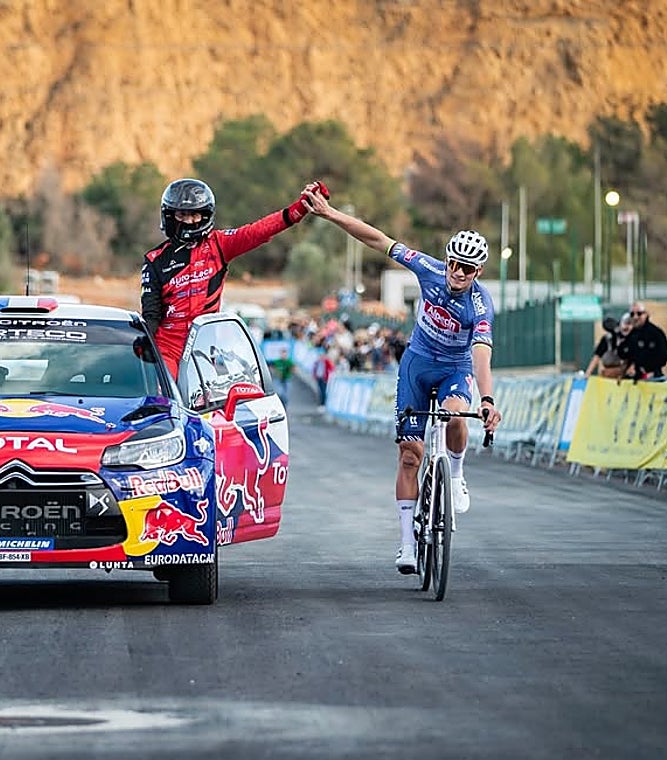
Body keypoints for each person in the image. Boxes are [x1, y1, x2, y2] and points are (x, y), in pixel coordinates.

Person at [301, 182, 502, 575]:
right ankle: (407, 545)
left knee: (456, 417)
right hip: (417, 362)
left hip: (455, 369)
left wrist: (488, 399)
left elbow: (481, 356)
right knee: (410, 455)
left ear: (478, 272)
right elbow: (377, 239)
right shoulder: (427, 269)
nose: (457, 273)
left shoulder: (481, 305)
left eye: (467, 268)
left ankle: (457, 474)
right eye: (453, 264)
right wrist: (330, 213)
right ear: (446, 261)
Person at [140, 178, 325, 377]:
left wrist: (300, 209)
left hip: (202, 348)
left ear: (206, 215)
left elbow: (259, 231)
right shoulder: (154, 260)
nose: (189, 220)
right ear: (169, 215)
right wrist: (143, 344)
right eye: (182, 214)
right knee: (167, 401)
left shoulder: (220, 244)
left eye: (195, 214)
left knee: (202, 405)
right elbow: (151, 315)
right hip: (167, 348)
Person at [621, 301, 667, 379]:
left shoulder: (655, 333)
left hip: (652, 376)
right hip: (634, 379)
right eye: (632, 314)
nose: (635, 317)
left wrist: (647, 368)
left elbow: (665, 355)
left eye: (639, 314)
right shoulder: (631, 335)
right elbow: (624, 355)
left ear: (646, 314)